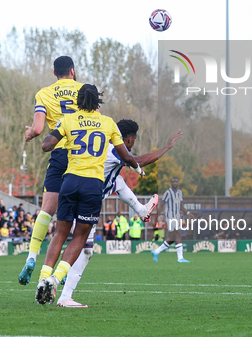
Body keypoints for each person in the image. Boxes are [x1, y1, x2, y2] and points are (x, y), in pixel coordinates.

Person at [34, 84, 142, 305]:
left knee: (60, 234)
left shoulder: (69, 120)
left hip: (70, 181)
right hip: (92, 185)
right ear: (98, 102)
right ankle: (55, 280)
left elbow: (47, 145)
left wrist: (54, 137)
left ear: (78, 100)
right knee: (81, 237)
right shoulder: (108, 123)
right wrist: (137, 168)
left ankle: (43, 279)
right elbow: (126, 156)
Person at [55, 121, 182, 308]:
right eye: (133, 140)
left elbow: (122, 175)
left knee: (118, 181)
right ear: (129, 139)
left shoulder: (101, 145)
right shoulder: (116, 149)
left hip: (72, 190)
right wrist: (167, 147)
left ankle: (141, 210)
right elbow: (139, 160)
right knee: (85, 249)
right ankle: (63, 294)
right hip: (88, 200)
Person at [18, 56, 84, 285]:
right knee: (73, 216)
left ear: (54, 73)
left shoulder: (44, 93)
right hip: (80, 156)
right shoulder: (84, 91)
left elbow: (37, 129)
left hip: (58, 154)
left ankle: (31, 256)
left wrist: (29, 134)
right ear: (72, 71)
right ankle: (61, 271)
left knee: (47, 210)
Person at [152, 177, 192, 263]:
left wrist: (188, 213)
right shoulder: (168, 193)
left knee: (173, 238)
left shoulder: (180, 193)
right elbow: (161, 206)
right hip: (170, 217)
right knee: (178, 234)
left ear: (178, 183)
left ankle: (156, 251)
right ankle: (180, 258)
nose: (174, 183)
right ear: (171, 183)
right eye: (173, 181)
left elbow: (181, 206)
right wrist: (156, 219)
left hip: (177, 217)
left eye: (176, 181)